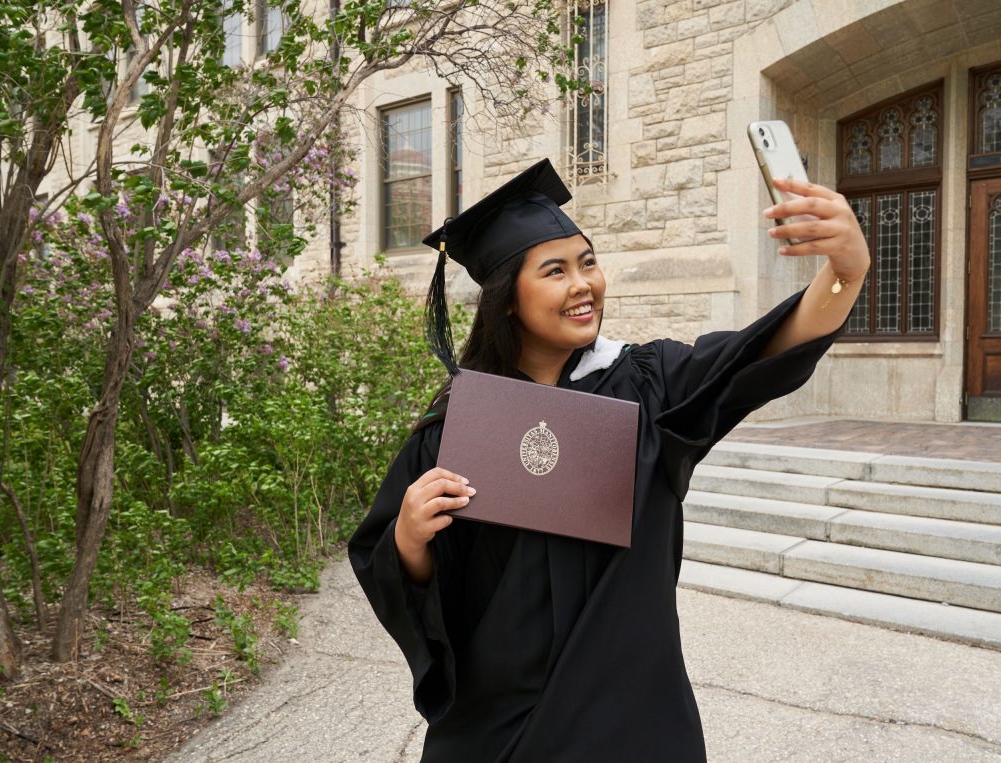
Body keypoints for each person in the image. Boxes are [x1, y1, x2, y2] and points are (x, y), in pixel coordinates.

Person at [349, 158, 870, 762]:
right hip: (501, 727)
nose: (583, 284)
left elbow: (767, 348)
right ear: (508, 300)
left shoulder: (650, 386)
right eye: (555, 270)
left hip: (629, 718)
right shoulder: (460, 425)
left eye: (588, 262)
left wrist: (846, 271)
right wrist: (410, 539)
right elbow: (413, 578)